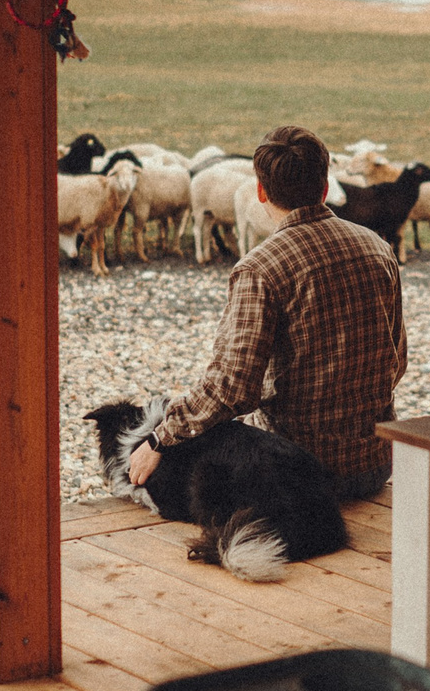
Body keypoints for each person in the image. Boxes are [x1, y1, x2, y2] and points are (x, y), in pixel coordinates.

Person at [128, 125, 407, 500]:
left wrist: (159, 439)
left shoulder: (261, 267)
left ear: (260, 191)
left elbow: (232, 389)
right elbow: (397, 359)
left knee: (189, 450)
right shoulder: (377, 248)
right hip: (374, 464)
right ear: (325, 186)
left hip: (296, 475)